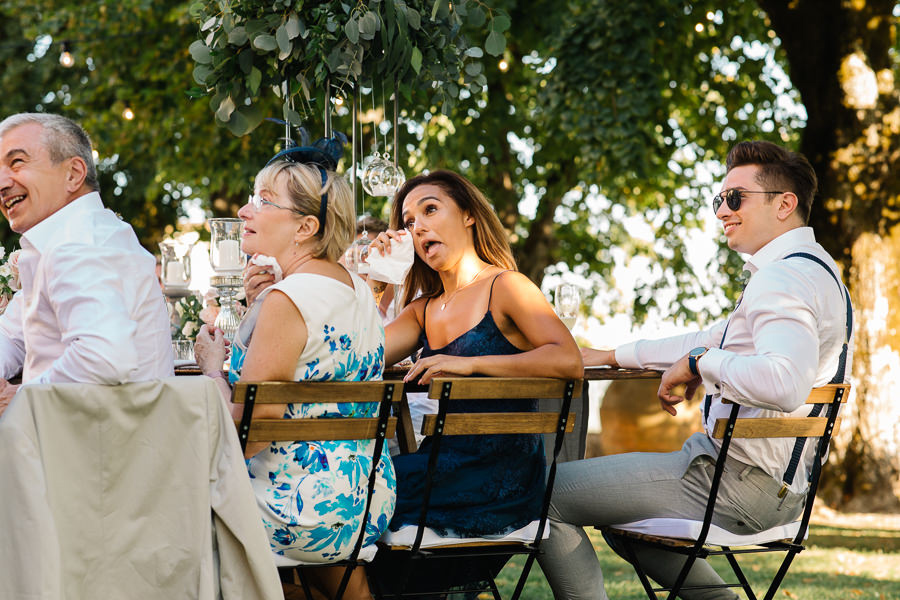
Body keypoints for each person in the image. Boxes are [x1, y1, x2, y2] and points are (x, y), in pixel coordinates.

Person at [538, 141, 854, 600]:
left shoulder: (782, 277)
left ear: (785, 204)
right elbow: (711, 338)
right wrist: (611, 354)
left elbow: (784, 382)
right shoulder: (815, 270)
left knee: (543, 492)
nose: (721, 211)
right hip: (771, 486)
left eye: (736, 198)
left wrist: (699, 364)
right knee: (622, 524)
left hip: (734, 483)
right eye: (719, 200)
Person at [193, 143, 395, 600]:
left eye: (264, 201)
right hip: (365, 498)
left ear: (306, 227)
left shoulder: (289, 299)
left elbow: (249, 436)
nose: (246, 210)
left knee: (157, 520)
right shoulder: (356, 289)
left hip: (298, 508)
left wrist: (212, 373)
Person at [370, 169, 583, 540]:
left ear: (468, 214)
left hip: (503, 477)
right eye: (408, 222)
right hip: (440, 465)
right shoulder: (424, 308)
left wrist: (467, 365)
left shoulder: (506, 286)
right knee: (351, 486)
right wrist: (375, 282)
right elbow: (359, 355)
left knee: (359, 492)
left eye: (430, 209)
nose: (417, 227)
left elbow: (569, 361)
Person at [0, 113, 173, 415]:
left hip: (89, 453)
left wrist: (24, 398)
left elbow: (104, 355)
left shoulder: (77, 243)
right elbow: (12, 336)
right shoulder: (78, 234)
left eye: (17, 162)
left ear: (73, 174)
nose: (2, 183)